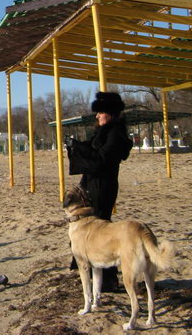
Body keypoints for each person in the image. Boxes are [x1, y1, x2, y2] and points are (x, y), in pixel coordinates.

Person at [65, 91, 133, 290]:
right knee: (93, 229)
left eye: (100, 112)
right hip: (94, 185)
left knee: (100, 229)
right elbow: (92, 149)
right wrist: (74, 146)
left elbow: (101, 159)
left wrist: (78, 147)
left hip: (103, 187)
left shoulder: (115, 135)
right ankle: (100, 277)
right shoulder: (103, 132)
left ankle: (108, 278)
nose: (97, 116)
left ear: (110, 113)